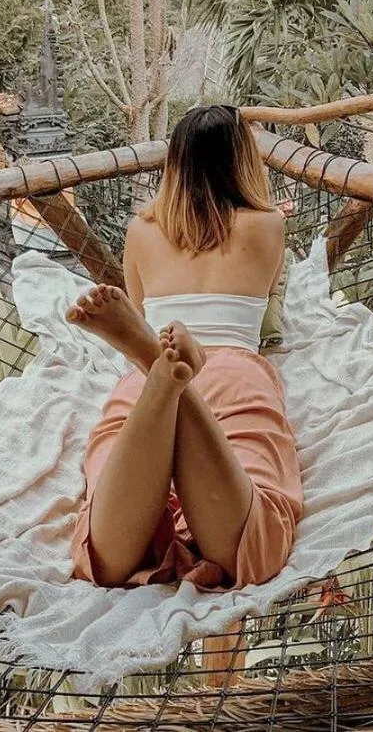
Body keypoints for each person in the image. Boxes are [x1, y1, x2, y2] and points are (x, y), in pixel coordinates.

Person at [67, 104, 302, 590]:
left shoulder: (141, 231)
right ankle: (166, 367)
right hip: (236, 370)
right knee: (253, 544)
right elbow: (268, 298)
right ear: (243, 159)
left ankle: (153, 360)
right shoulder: (268, 225)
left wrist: (156, 355)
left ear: (175, 161)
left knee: (107, 561)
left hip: (147, 374)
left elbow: (136, 301)